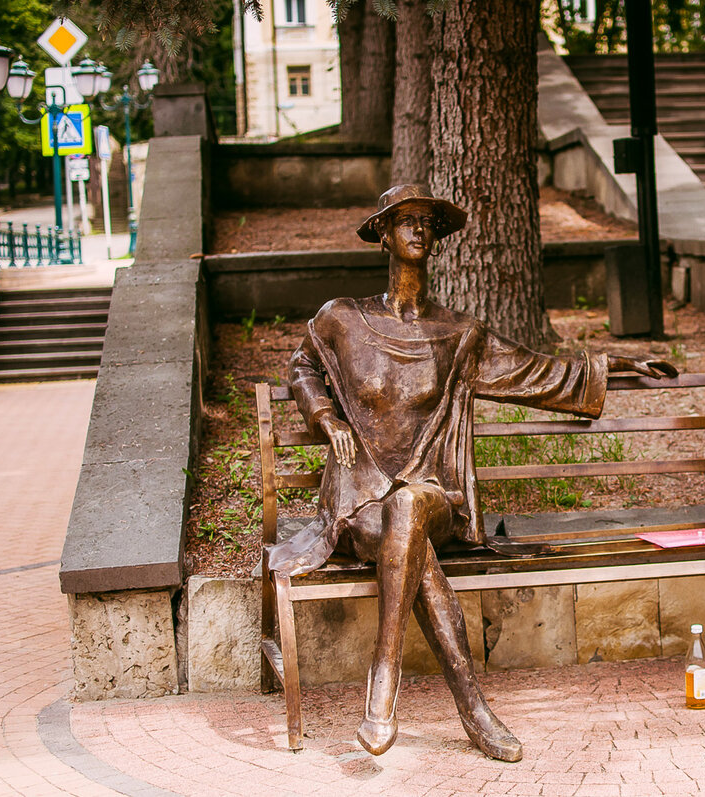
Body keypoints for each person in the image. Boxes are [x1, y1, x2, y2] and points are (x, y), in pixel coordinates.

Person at [267, 184, 677, 760]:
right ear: (382, 234)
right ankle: (473, 707)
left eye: (427, 223)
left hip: (432, 494)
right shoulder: (343, 319)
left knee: (410, 507)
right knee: (403, 536)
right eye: (405, 220)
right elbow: (302, 364)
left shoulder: (459, 333)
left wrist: (610, 363)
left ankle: (383, 682)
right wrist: (322, 414)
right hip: (358, 500)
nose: (417, 230)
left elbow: (538, 373)